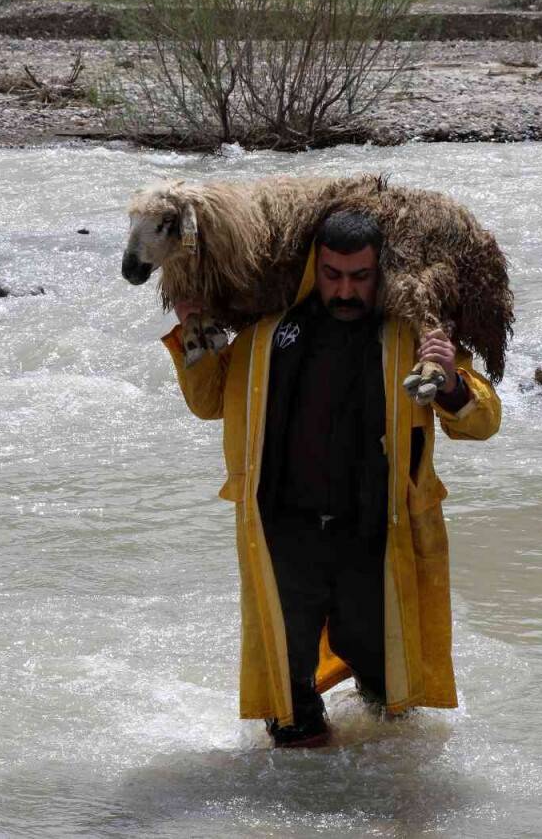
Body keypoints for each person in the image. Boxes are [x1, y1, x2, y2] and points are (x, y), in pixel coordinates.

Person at [160, 211, 501, 748]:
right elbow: (208, 402)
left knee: (391, 702)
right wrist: (196, 331)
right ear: (313, 269)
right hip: (284, 536)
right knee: (290, 710)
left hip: (374, 536)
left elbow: (481, 422)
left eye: (360, 276)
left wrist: (454, 386)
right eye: (333, 274)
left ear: (381, 272)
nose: (345, 289)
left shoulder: (409, 340)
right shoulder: (271, 335)